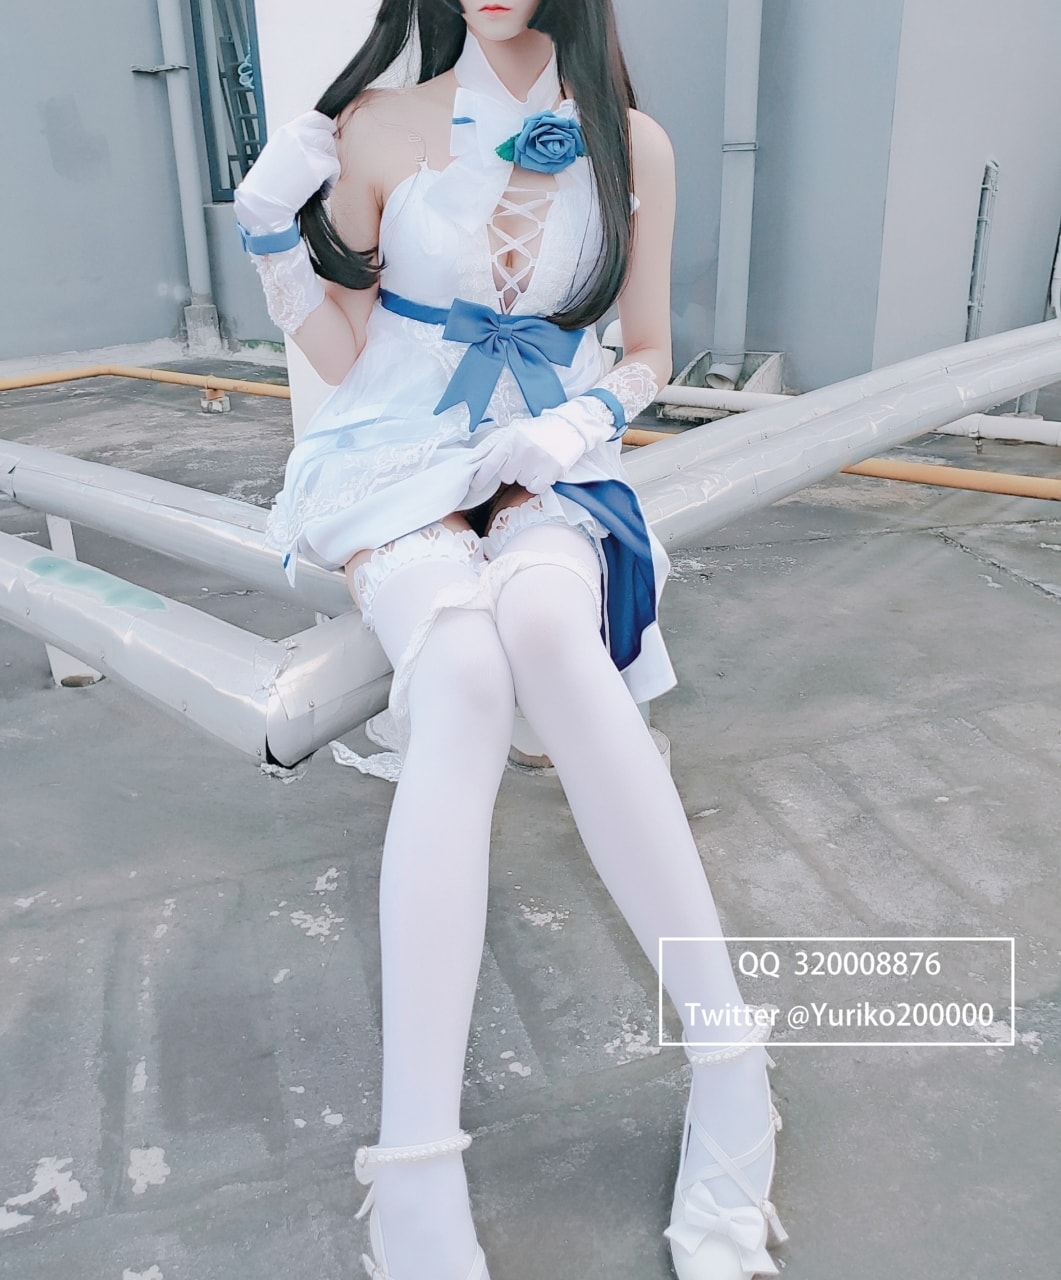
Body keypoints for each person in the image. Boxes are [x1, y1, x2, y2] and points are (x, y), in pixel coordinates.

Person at [234, 2, 787, 1277]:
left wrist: (575, 423)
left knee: (546, 627)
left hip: (549, 453)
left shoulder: (631, 142)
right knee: (466, 677)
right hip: (393, 456)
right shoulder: (375, 123)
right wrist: (270, 233)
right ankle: (413, 1168)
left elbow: (646, 349)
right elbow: (347, 353)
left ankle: (731, 1063)